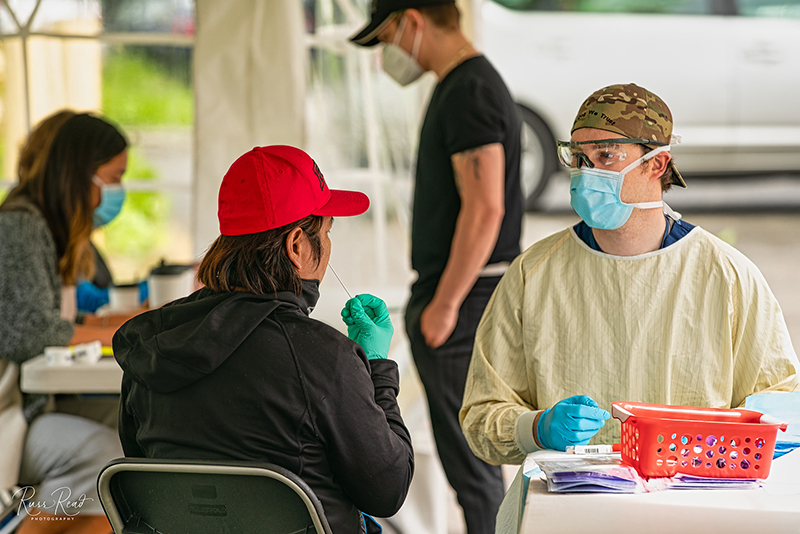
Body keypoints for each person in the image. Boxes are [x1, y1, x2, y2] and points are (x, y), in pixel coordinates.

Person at [459, 83, 800, 465]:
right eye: (579, 158)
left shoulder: (727, 278)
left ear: (657, 164)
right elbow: (481, 416)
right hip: (570, 507)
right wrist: (535, 428)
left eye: (606, 156)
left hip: (690, 505)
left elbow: (781, 408)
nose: (586, 173)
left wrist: (716, 444)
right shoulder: (533, 274)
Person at [113, 145, 414, 534]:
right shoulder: (324, 357)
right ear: (296, 245)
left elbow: (147, 478)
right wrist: (378, 370)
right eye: (326, 231)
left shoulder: (150, 343)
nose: (328, 247)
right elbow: (388, 490)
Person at [350, 2, 523, 531]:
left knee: (472, 471)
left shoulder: (470, 90)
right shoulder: (462, 84)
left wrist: (445, 306)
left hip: (465, 301)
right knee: (466, 467)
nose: (388, 55)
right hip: (461, 295)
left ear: (413, 21)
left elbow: (485, 204)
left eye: (387, 39)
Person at [0, 112, 129, 534]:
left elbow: (60, 319)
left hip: (34, 404)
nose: (116, 192)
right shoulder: (19, 227)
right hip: (13, 414)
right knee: (103, 454)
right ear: (79, 176)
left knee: (134, 421)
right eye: (113, 178)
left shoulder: (46, 231)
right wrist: (125, 332)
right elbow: (32, 333)